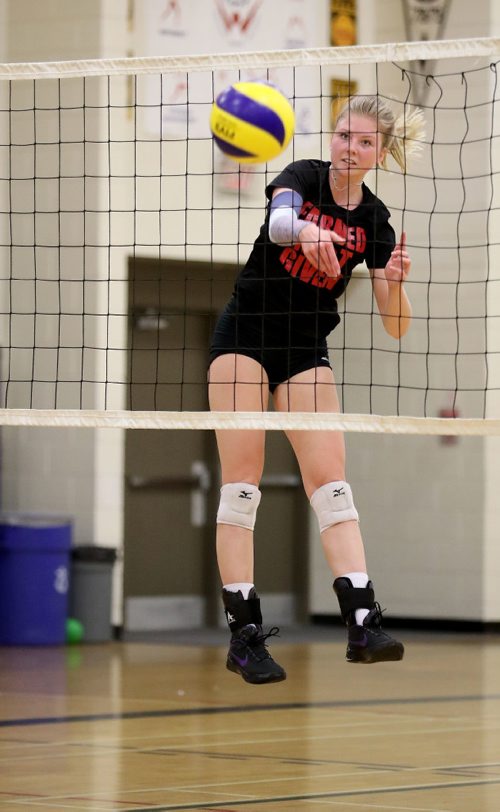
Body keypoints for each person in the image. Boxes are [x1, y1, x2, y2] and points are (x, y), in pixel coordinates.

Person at [208, 95, 424, 685]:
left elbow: (396, 324)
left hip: (305, 348)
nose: (348, 148)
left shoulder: (374, 222)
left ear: (380, 153)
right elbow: (280, 224)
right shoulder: (301, 178)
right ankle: (245, 635)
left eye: (363, 142)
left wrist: (396, 283)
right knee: (241, 486)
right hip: (244, 339)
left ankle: (362, 622)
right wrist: (305, 230)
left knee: (331, 485)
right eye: (342, 135)